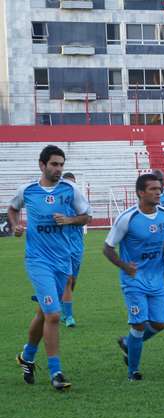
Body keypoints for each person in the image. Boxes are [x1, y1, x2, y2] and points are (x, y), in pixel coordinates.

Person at [10, 145, 92, 390]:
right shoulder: (28, 190)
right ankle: (56, 372)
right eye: (54, 164)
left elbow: (86, 216)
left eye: (61, 164)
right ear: (42, 165)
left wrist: (70, 220)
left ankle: (27, 355)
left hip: (62, 260)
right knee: (54, 314)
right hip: (38, 260)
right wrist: (15, 226)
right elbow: (13, 208)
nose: (58, 169)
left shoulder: (70, 189)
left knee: (44, 312)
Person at [105, 173, 164, 381]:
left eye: (159, 188)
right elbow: (107, 248)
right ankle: (133, 371)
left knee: (159, 324)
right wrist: (124, 266)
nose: (158, 192)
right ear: (140, 192)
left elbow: (163, 237)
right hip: (134, 279)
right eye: (153, 189)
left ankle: (128, 344)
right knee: (138, 324)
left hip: (156, 278)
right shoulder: (127, 218)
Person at [61, 172, 88, 328]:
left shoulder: (80, 202)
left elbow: (87, 218)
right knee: (68, 279)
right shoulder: (58, 202)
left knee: (73, 281)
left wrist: (71, 220)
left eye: (73, 184)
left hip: (77, 246)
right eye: (67, 183)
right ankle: (68, 316)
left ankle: (61, 303)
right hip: (61, 246)